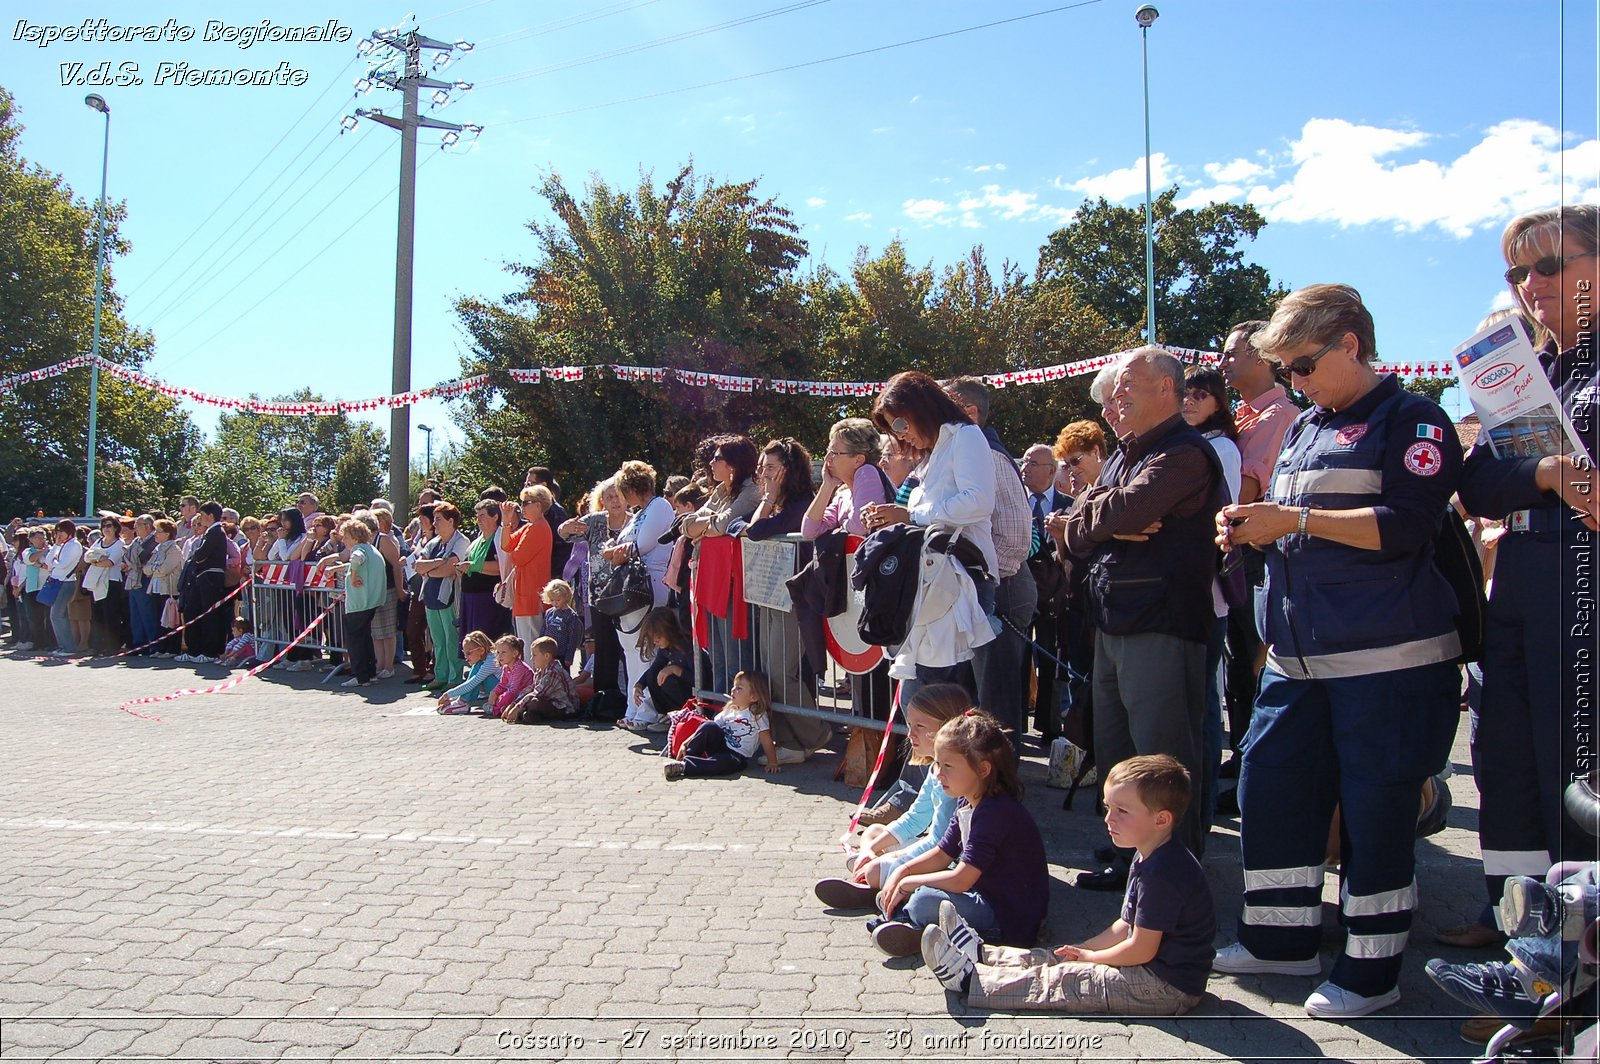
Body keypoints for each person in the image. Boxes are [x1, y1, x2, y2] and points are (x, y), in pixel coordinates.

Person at [1213, 283, 1466, 1020]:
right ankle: (1279, 940)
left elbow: (1409, 526)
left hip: (1388, 660)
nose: (1292, 381)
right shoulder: (1306, 425)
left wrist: (1294, 518)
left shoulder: (1414, 417)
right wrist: (1254, 526)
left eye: (1301, 365)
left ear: (1351, 345)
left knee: (1376, 812)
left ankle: (1371, 970)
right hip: (1298, 658)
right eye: (1284, 369)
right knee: (1273, 793)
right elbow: (1299, 521)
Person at [1450, 205, 1600, 963]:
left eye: (1550, 265)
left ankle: (1574, 949)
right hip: (1520, 581)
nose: (1531, 284)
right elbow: (1476, 484)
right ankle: (1516, 921)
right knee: (1503, 756)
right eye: (1518, 272)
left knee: (1573, 766)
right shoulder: (1530, 369)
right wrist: (1544, 471)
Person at [1064, 348, 1227, 883]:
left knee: (1161, 759)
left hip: (1161, 622)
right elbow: (1073, 528)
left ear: (1167, 387)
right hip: (1113, 622)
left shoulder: (1185, 454)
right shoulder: (1124, 456)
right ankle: (1131, 860)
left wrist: (1099, 516)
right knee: (1118, 752)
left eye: (1129, 385)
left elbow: (1120, 511)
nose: (1118, 396)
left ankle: (1171, 874)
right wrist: (1099, 517)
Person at [923, 754, 1214, 1017]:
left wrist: (1092, 959)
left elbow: (1141, 949)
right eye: (1107, 807)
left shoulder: (1164, 873)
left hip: (1165, 987)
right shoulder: (1150, 852)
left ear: (1161, 819)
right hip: (1151, 971)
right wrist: (1083, 948)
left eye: (1122, 811)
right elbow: (1127, 924)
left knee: (1068, 979)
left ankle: (970, 980)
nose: (1108, 819)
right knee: (1063, 955)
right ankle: (982, 954)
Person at [862, 371, 998, 701]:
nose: (901, 436)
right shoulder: (936, 451)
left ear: (921, 408)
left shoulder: (965, 436)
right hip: (934, 582)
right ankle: (929, 754)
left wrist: (910, 515)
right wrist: (891, 521)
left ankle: (939, 754)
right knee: (924, 697)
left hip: (961, 581)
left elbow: (978, 502)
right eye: (892, 429)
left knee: (937, 698)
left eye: (900, 425)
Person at [868, 709, 1048, 958]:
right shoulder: (967, 801)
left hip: (1007, 917)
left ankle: (917, 927)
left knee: (923, 900)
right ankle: (913, 928)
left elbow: (961, 879)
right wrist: (903, 871)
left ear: (983, 770)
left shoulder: (995, 812)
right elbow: (942, 853)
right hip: (981, 895)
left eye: (948, 766)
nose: (939, 774)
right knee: (915, 892)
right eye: (938, 764)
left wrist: (911, 882)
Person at [1216, 318, 1299, 778]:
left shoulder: (1278, 418)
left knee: (1253, 657)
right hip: (1238, 554)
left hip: (1259, 556)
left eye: (1233, 352)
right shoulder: (1243, 418)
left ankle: (1256, 758)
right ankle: (1244, 752)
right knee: (1237, 659)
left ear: (1265, 356)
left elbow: (1244, 494)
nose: (1224, 361)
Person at [814, 683, 971, 909]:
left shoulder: (952, 780)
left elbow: (939, 844)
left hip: (948, 859)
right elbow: (915, 819)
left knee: (875, 871)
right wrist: (871, 849)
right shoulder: (935, 769)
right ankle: (877, 879)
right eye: (909, 724)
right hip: (934, 850)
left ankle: (880, 887)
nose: (910, 734)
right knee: (874, 832)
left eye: (919, 726)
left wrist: (892, 862)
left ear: (946, 729)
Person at [944, 377, 1038, 742]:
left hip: (1003, 586)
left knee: (996, 699)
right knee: (977, 697)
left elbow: (1015, 539)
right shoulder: (967, 454)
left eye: (946, 407)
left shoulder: (992, 457)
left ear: (970, 413)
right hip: (982, 585)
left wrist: (978, 575)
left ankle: (1000, 784)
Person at [1181, 365, 1243, 838]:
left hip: (1206, 592)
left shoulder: (1220, 448)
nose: (1190, 401)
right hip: (1189, 591)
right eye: (1185, 394)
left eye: (1200, 395)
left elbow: (1223, 518)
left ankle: (1198, 818)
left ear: (1218, 402)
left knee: (1202, 709)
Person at [682, 437, 761, 693]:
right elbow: (686, 526)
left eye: (717, 459)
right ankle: (718, 713)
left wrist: (707, 524)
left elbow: (722, 526)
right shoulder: (720, 491)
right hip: (712, 579)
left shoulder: (751, 491)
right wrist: (709, 524)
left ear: (734, 465)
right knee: (717, 657)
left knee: (734, 659)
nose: (711, 463)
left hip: (734, 583)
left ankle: (738, 715)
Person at [560, 478, 633, 710]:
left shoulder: (636, 521)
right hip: (600, 596)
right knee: (605, 647)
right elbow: (566, 534)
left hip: (629, 595)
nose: (614, 501)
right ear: (602, 501)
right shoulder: (594, 521)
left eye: (618, 496)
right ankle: (604, 700)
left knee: (629, 648)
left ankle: (632, 699)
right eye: (609, 497)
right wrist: (565, 527)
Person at [1020, 443, 1073, 741]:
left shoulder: (1069, 504)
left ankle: (1050, 726)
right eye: (1024, 462)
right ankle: (1016, 722)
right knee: (1018, 657)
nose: (1025, 467)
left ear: (1051, 471)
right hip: (1020, 588)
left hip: (1054, 594)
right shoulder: (1015, 502)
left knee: (1052, 658)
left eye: (1032, 462)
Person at [661, 670, 781, 781]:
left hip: (736, 756)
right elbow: (707, 729)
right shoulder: (730, 710)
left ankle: (684, 767)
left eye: (739, 688)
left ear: (753, 697)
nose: (733, 690)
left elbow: (766, 739)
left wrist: (773, 762)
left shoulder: (757, 715)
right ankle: (688, 755)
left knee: (723, 764)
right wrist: (685, 743)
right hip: (720, 745)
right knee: (709, 725)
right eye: (733, 686)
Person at [314, 518, 383, 689]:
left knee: (355, 640)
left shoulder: (358, 549)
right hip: (371, 601)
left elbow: (357, 560)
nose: (343, 540)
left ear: (354, 536)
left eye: (345, 537)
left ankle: (361, 677)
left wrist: (353, 577)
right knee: (365, 637)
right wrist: (337, 569)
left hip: (359, 602)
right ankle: (370, 673)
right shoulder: (371, 548)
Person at [414, 502, 470, 693]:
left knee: (451, 638)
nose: (434, 523)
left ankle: (454, 677)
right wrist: (436, 564)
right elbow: (418, 567)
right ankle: (440, 675)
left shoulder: (461, 541)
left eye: (438, 519)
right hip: (431, 597)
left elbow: (451, 569)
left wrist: (431, 569)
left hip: (450, 598)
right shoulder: (433, 543)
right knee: (437, 639)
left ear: (451, 521)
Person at [498, 486, 554, 661]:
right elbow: (506, 546)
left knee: (531, 645)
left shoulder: (539, 528)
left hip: (531, 596)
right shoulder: (530, 527)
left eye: (526, 503)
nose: (522, 507)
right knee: (526, 643)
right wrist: (506, 523)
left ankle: (533, 683)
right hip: (524, 595)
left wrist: (514, 551)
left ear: (538, 505)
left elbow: (517, 557)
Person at [178, 502, 230, 664]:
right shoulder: (211, 532)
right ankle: (194, 649)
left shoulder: (216, 532)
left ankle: (210, 651)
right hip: (201, 577)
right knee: (192, 611)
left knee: (210, 614)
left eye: (202, 516)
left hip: (211, 577)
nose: (200, 520)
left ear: (210, 516)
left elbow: (201, 554)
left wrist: (196, 555)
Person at [455, 499, 512, 642]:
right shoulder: (478, 540)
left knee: (486, 641)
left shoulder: (499, 538)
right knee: (472, 642)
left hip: (488, 600)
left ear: (495, 517)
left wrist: (473, 566)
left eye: (483, 516)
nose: (478, 520)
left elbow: (501, 567)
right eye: (477, 516)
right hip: (470, 598)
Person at [632, 607, 693, 725]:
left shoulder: (686, 647)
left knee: (668, 680)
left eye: (658, 637)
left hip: (693, 695)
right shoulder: (666, 649)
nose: (656, 642)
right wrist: (639, 685)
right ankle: (666, 715)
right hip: (684, 691)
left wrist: (676, 670)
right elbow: (653, 670)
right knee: (653, 676)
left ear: (668, 631)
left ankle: (683, 715)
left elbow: (701, 679)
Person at [503, 636, 579, 722]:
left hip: (564, 708)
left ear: (546, 656)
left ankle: (526, 714)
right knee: (525, 703)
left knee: (534, 702)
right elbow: (531, 688)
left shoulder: (554, 672)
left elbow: (539, 692)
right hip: (549, 701)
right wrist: (514, 704)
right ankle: (524, 714)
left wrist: (518, 707)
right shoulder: (540, 670)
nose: (532, 659)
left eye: (534, 655)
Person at [143, 519, 184, 658]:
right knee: (158, 620)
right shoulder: (157, 549)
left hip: (169, 590)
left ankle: (172, 649)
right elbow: (146, 569)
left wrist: (154, 568)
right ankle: (160, 648)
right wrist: (155, 568)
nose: (155, 534)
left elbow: (166, 569)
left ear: (167, 534)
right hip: (155, 588)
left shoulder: (174, 549)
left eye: (159, 531)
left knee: (170, 619)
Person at [44, 519, 84, 656]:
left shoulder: (74, 545)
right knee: (58, 615)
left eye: (62, 531)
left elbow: (62, 564)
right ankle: (63, 646)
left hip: (66, 582)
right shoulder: (62, 545)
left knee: (57, 615)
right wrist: (55, 546)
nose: (59, 534)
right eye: (57, 531)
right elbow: (48, 562)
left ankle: (68, 647)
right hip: (57, 581)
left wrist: (55, 561)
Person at [436, 630, 499, 714]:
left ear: (481, 650)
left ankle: (462, 702)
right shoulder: (487, 658)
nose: (465, 656)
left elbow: (472, 683)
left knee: (478, 672)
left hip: (504, 692)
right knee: (477, 666)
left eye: (468, 653)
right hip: (500, 690)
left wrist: (447, 695)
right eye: (464, 652)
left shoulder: (491, 661)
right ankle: (462, 700)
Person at [485, 634, 535, 719]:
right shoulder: (506, 667)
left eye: (503, 652)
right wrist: (494, 692)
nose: (499, 656)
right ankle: (502, 708)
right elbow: (502, 684)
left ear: (515, 653)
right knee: (501, 694)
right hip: (513, 694)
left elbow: (514, 690)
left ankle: (496, 709)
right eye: (498, 652)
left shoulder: (520, 668)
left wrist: (501, 698)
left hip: (523, 695)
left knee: (508, 695)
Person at [539, 579, 582, 670]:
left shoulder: (571, 616)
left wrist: (569, 657)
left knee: (563, 677)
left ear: (566, 597)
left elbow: (573, 638)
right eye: (552, 600)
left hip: (562, 654)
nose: (555, 603)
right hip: (548, 653)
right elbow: (543, 630)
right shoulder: (549, 612)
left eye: (558, 600)